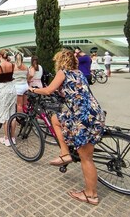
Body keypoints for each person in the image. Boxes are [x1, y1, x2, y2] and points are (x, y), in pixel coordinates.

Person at [29, 49, 105, 205]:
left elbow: (49, 89)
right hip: (95, 113)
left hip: (83, 117)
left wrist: (34, 90)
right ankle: (65, 153)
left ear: (60, 61)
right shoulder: (78, 73)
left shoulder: (63, 72)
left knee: (86, 159)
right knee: (56, 118)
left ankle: (91, 195)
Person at [0, 49, 17, 146]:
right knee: (12, 114)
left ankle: (6, 138)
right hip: (12, 89)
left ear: (0, 56)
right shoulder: (12, 65)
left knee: (5, 115)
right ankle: (13, 138)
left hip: (3, 90)